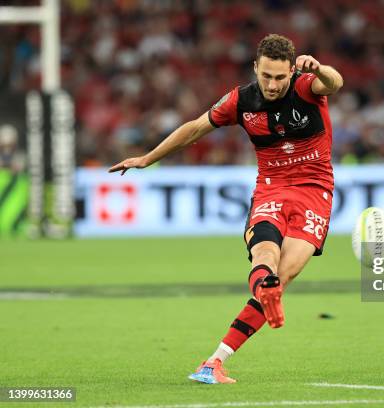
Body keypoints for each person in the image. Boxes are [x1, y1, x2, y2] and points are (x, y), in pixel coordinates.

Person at [109, 34, 343, 384]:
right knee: (265, 256)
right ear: (256, 68)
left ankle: (217, 356)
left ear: (292, 72)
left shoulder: (308, 86)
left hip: (315, 192)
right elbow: (194, 129)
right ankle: (221, 352)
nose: (273, 84)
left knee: (287, 273)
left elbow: (335, 83)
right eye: (266, 76)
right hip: (271, 189)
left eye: (280, 77)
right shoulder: (241, 101)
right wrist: (147, 158)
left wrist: (320, 68)